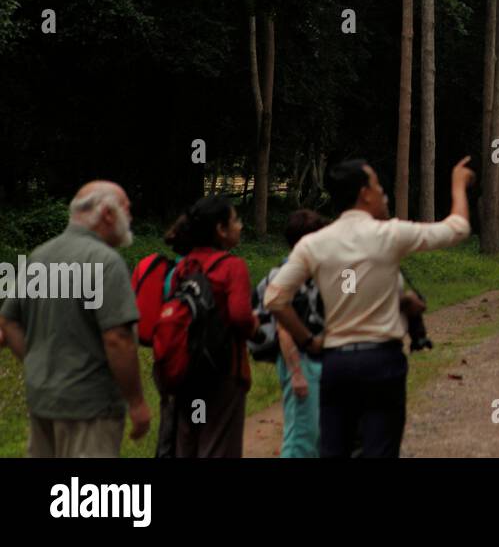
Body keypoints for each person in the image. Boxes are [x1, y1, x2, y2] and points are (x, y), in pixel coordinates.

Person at [265, 157, 474, 458]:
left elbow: (274, 298)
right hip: (382, 362)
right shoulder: (389, 234)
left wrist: (309, 342)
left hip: (336, 364)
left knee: (334, 450)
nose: (382, 192)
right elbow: (457, 228)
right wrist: (458, 182)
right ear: (364, 193)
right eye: (377, 185)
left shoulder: (314, 243)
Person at [0, 181, 151, 457]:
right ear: (107, 214)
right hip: (90, 409)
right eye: (127, 210)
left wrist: (35, 363)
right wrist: (137, 402)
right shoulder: (106, 262)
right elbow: (117, 338)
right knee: (85, 499)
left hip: (43, 402)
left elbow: (8, 321)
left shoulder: (39, 257)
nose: (130, 218)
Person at [165, 197, 257, 458]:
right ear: (220, 229)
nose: (240, 226)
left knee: (187, 445)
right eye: (236, 220)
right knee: (218, 446)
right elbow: (240, 316)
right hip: (224, 372)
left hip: (186, 372)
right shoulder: (232, 266)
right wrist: (256, 327)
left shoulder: (183, 266)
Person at [253, 208, 328, 458]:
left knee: (317, 434)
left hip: (317, 361)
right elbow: (283, 328)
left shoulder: (314, 272)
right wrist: (297, 373)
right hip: (299, 360)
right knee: (300, 440)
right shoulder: (287, 276)